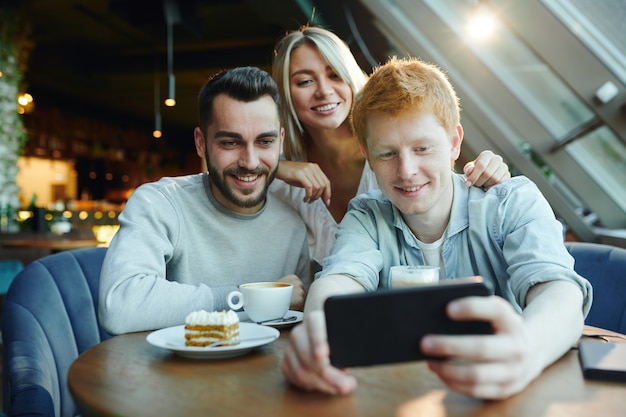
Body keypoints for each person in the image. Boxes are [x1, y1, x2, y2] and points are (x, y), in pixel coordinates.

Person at [281, 57, 592, 400]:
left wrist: (527, 351)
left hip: (508, 399)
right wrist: (320, 333)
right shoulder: (366, 216)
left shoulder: (511, 202)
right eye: (387, 154)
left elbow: (559, 292)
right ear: (367, 156)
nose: (407, 170)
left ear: (455, 143)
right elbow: (340, 281)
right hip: (399, 398)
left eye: (423, 148)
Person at [269, 25, 511, 265]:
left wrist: (491, 171)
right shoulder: (284, 175)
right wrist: (272, 170)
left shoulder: (398, 157)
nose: (323, 91)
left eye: (334, 75)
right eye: (305, 82)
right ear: (285, 93)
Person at [99, 67, 310, 335]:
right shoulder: (160, 203)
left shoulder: (292, 226)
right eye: (230, 143)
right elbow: (120, 307)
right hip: (170, 375)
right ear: (201, 143)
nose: (250, 162)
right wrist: (249, 298)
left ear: (280, 142)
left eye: (264, 141)